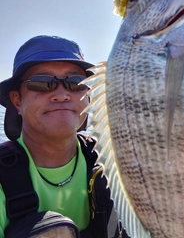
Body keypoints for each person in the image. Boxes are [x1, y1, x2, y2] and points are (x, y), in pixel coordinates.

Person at [0, 35, 130, 238]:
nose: (62, 94)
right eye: (42, 83)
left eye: (76, 82)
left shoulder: (118, 164)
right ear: (17, 101)